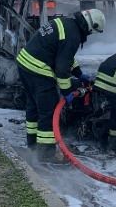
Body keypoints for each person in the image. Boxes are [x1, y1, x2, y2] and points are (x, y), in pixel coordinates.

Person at [16, 8, 105, 162]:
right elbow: (62, 70)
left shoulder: (68, 24)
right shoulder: (74, 35)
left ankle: (33, 146)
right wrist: (68, 92)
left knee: (33, 107)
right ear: (90, 27)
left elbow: (65, 55)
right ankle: (46, 155)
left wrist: (79, 73)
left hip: (25, 64)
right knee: (48, 112)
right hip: (38, 70)